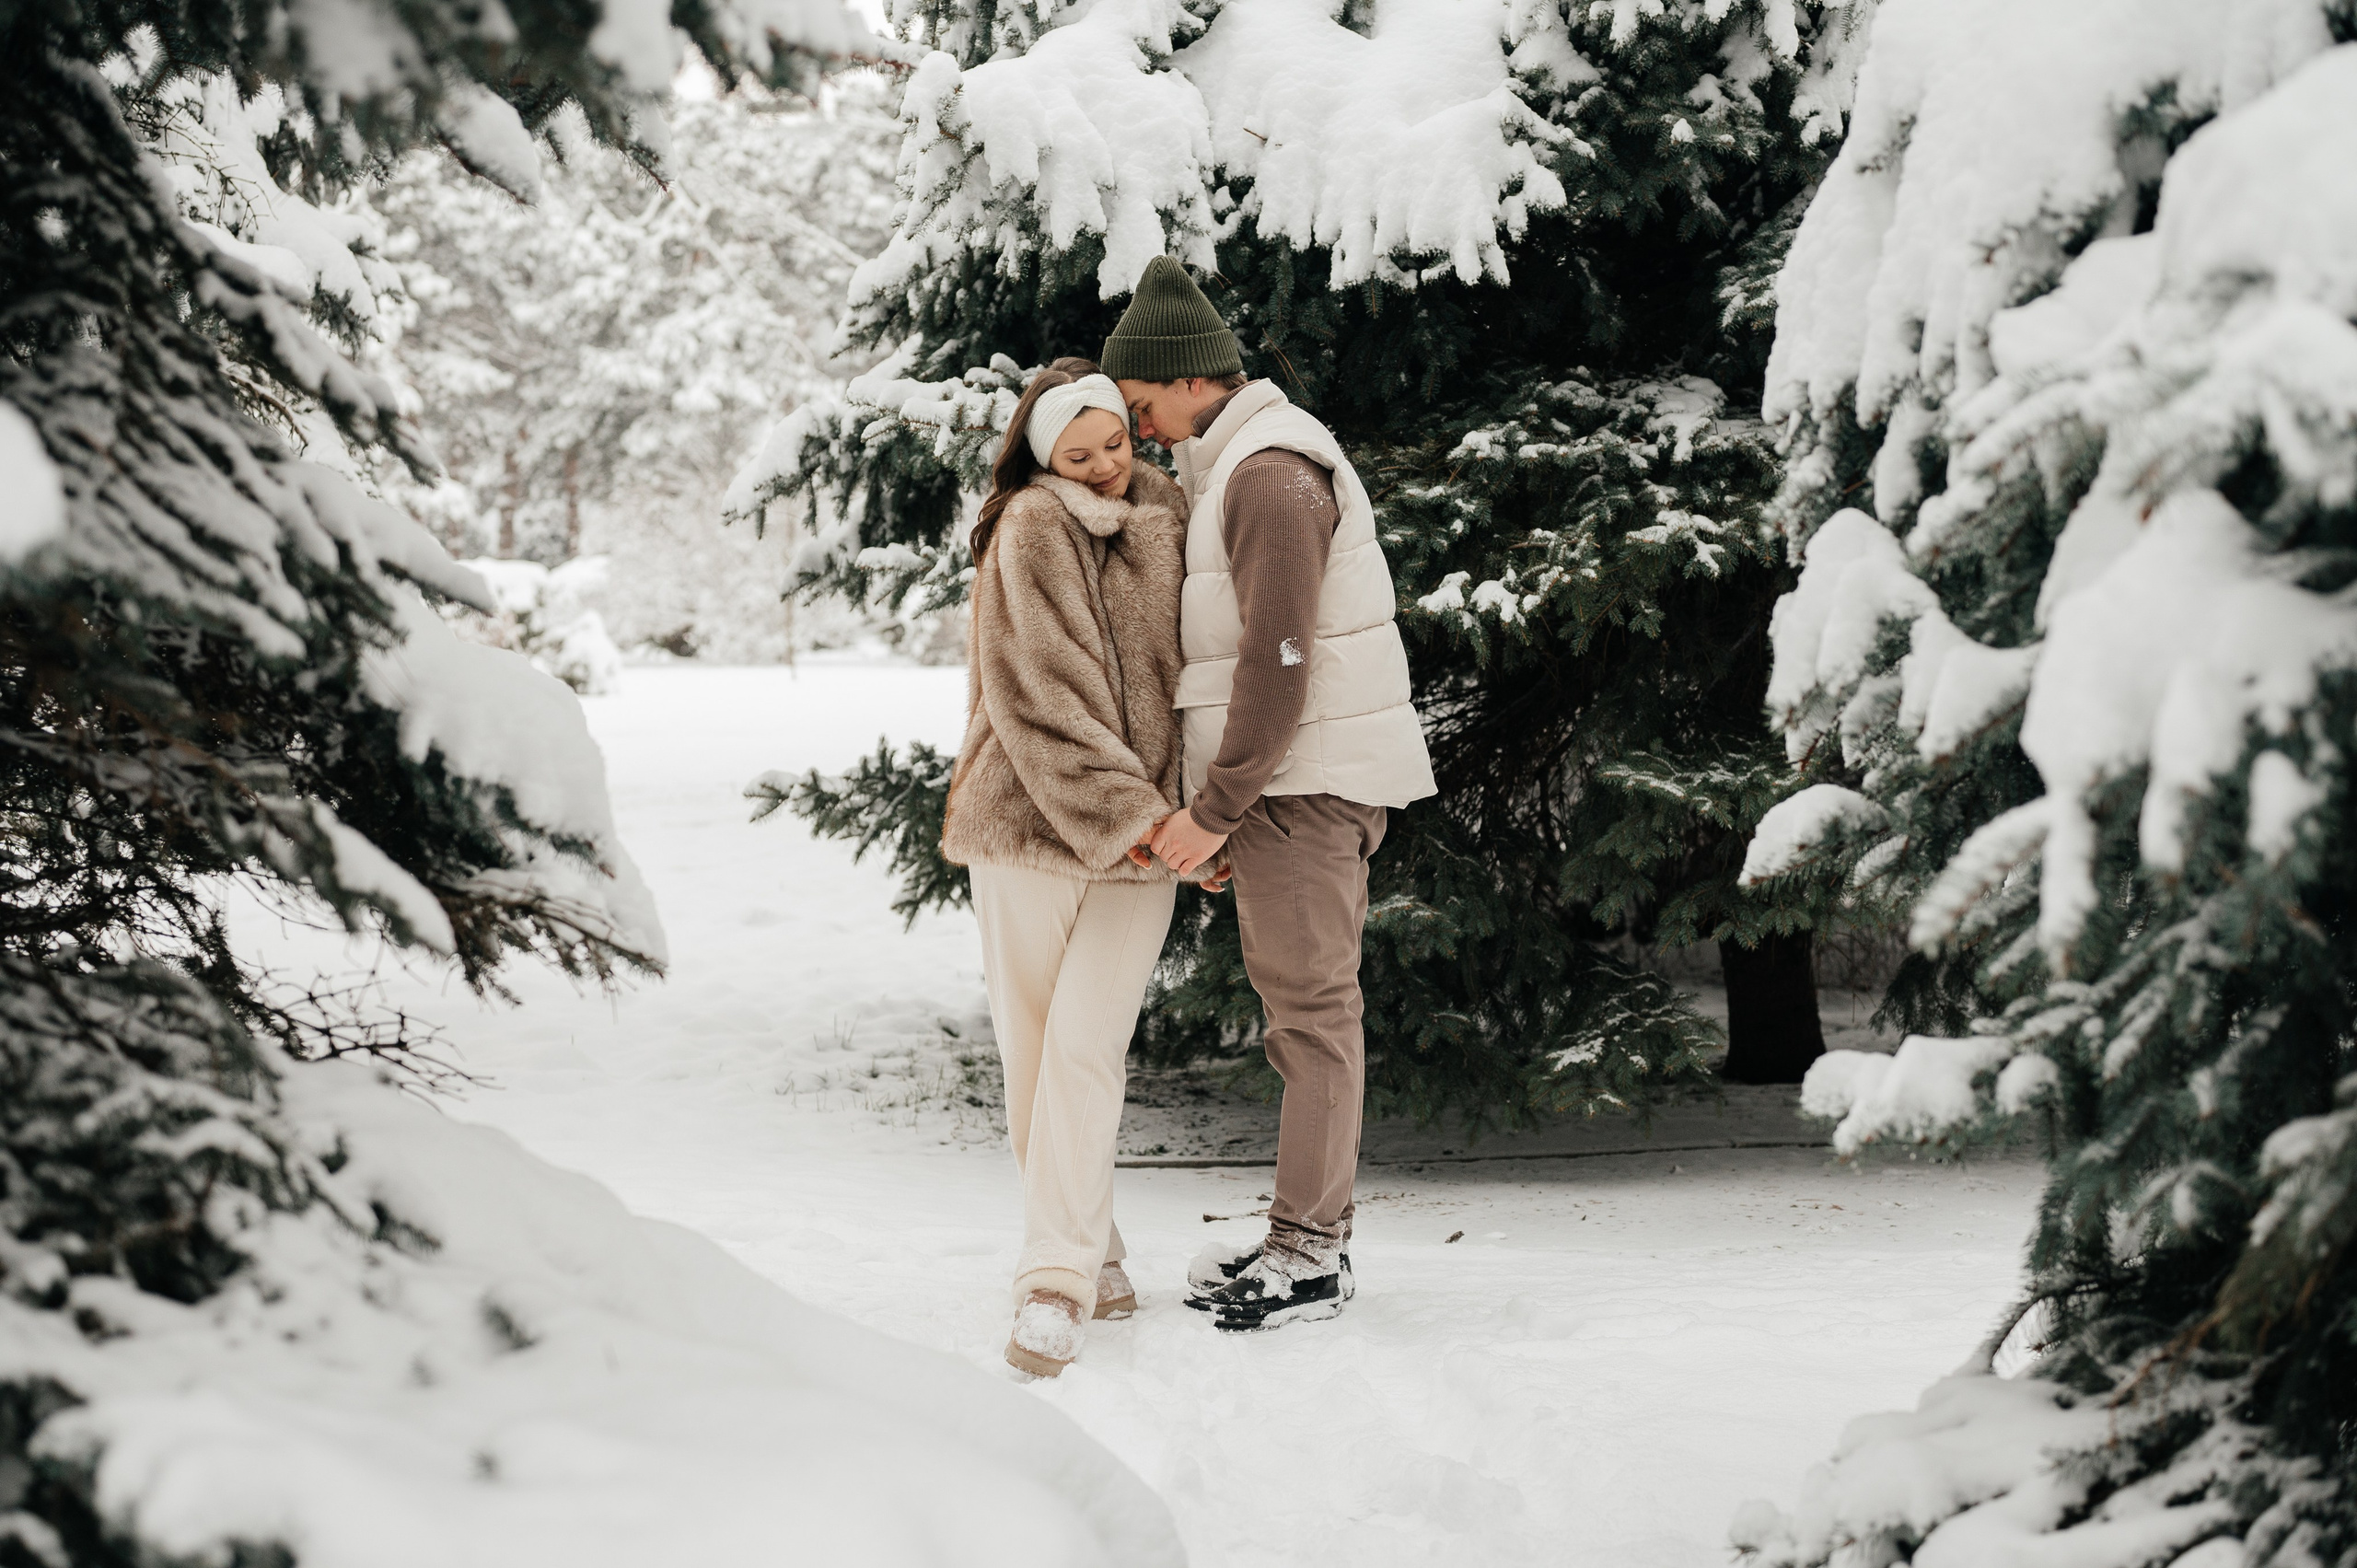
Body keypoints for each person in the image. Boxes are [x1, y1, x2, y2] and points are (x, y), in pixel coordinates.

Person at [1101, 258, 1438, 1332]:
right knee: (1303, 1009)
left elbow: (1277, 658)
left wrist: (1218, 804)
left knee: (1312, 1012)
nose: (1136, 425)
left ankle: (1310, 1253)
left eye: (1141, 400)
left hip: (1301, 783)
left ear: (1188, 377)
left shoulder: (1267, 473)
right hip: (1288, 785)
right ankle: (1302, 1230)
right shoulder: (1246, 463)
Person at [939, 356, 1205, 1377]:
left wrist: (1191, 821)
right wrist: (1134, 813)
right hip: (1028, 825)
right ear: (1043, 455)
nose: (1101, 465)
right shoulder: (1031, 525)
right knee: (1036, 1055)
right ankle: (1078, 1263)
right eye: (1076, 452)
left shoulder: (1175, 517)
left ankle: (1054, 1273)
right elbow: (1039, 695)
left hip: (1146, 839)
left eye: (1112, 441)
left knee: (1088, 1046)